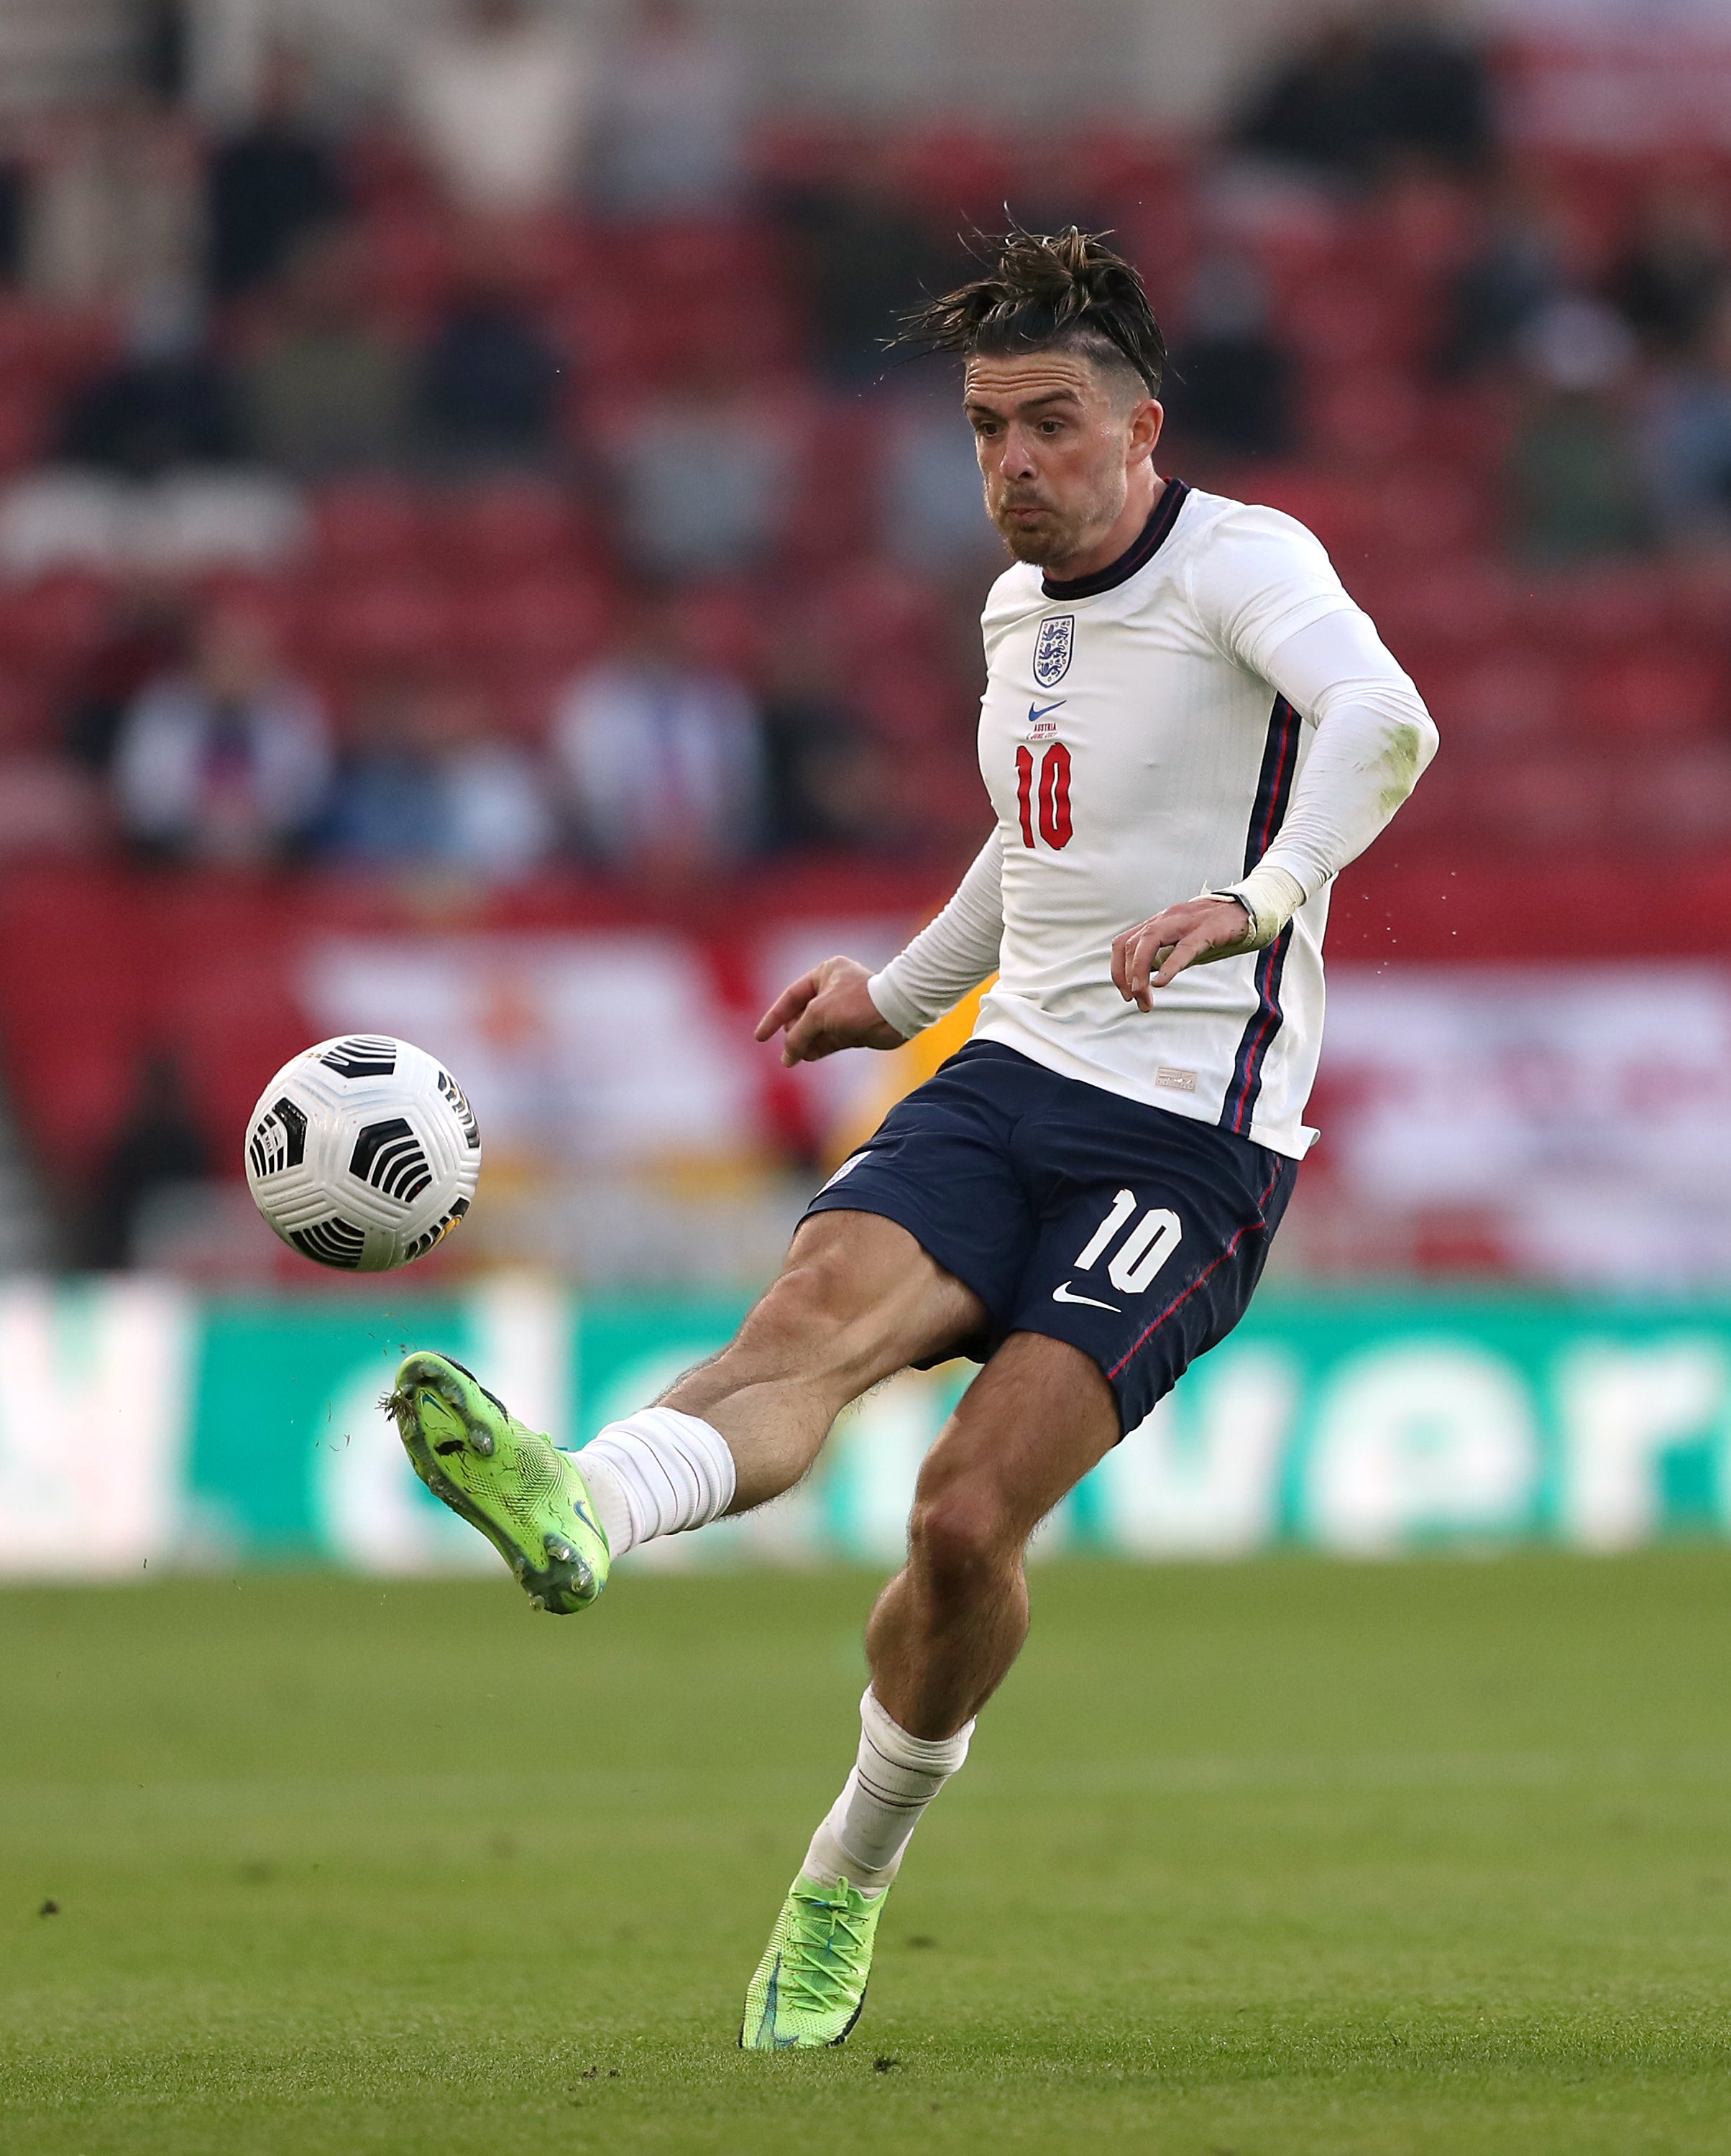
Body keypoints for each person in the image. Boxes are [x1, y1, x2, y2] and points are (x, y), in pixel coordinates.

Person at [384, 229, 1437, 2047]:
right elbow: (1031, 854)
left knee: (961, 1524)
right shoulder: (1014, 617)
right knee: (797, 1335)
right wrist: (901, 989)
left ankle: (842, 1880)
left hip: (1190, 1139)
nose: (1011, 465)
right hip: (1009, 1072)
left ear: (1138, 431)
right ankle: (586, 1507)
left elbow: (1384, 718)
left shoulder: (1247, 565)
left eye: (1046, 426)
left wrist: (1254, 904)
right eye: (981, 432)